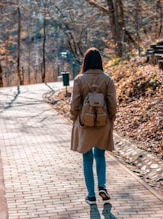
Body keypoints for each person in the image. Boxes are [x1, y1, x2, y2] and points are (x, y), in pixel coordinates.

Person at [69, 47, 117, 205]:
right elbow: (112, 104)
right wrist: (111, 118)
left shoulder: (79, 80)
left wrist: (73, 117)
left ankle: (91, 195)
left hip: (84, 124)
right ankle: (102, 186)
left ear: (86, 61)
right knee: (100, 155)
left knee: (87, 158)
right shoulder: (107, 80)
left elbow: (74, 103)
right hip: (103, 123)